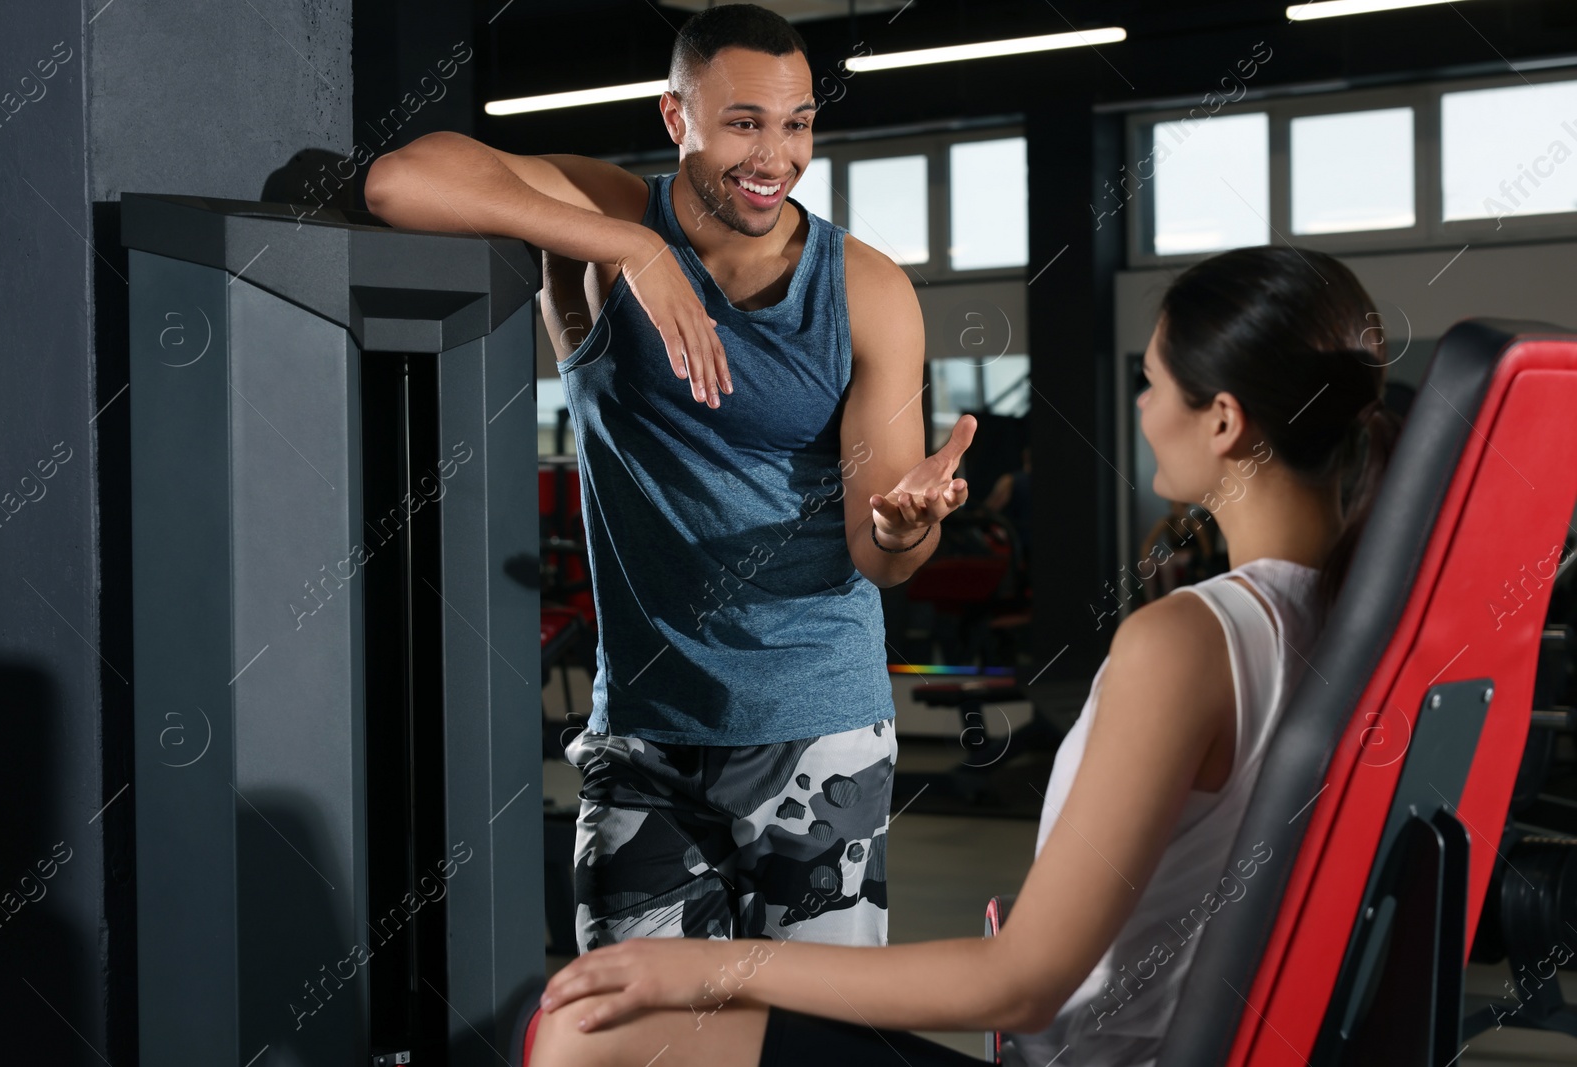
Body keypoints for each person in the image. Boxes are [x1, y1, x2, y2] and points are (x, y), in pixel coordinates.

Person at [525, 243, 1404, 1067]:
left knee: (598, 1025)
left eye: (1151, 383)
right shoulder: (1366, 625)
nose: (1140, 407)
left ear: (1221, 421)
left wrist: (704, 969)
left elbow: (1019, 985)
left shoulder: (1188, 641)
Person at [363, 5, 974, 953]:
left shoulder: (866, 289)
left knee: (806, 1044)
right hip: (642, 733)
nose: (776, 156)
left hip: (821, 730)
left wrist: (904, 531)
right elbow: (401, 181)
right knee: (628, 1034)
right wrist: (635, 249)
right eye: (743, 123)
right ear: (674, 118)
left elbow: (881, 547)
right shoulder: (605, 225)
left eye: (798, 122)